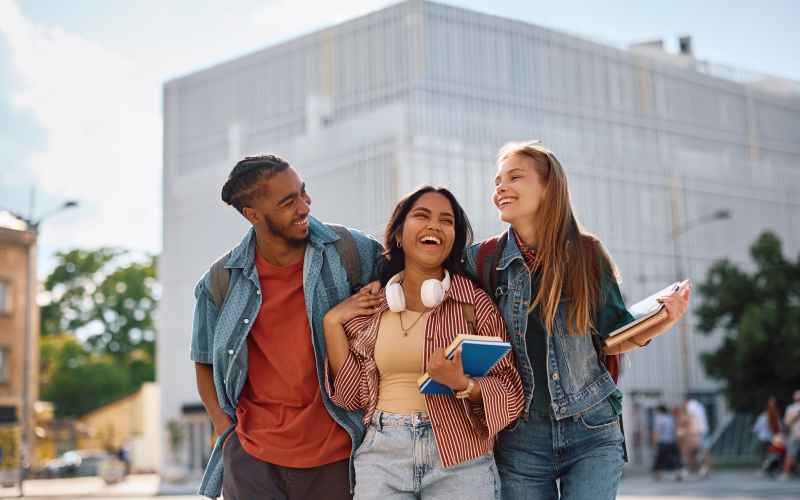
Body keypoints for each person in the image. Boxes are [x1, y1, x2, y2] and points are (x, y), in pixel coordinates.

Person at [464, 141, 692, 500]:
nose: (500, 189)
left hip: (592, 427)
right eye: (497, 181)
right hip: (519, 437)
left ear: (548, 187)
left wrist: (663, 319)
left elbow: (613, 335)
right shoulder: (483, 260)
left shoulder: (586, 253)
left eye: (514, 177)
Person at [190, 155, 383, 499]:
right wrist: (226, 431)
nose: (304, 206)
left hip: (339, 453)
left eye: (303, 192)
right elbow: (204, 361)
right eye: (288, 201)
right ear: (253, 215)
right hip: (254, 461)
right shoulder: (221, 281)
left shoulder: (352, 251)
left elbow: (408, 293)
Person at [324, 186, 524, 499]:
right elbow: (350, 397)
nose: (434, 225)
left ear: (454, 238)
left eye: (446, 220)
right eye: (422, 215)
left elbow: (510, 393)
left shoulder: (474, 305)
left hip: (460, 456)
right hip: (382, 455)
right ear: (399, 234)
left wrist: (464, 384)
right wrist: (332, 323)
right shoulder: (372, 306)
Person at [651, 405, 682, 481]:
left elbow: (656, 431)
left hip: (663, 441)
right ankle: (678, 474)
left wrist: (654, 442)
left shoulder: (659, 418)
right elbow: (675, 429)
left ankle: (658, 475)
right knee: (675, 458)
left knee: (660, 459)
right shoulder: (670, 418)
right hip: (672, 441)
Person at [685, 397, 711, 477]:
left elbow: (691, 419)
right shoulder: (699, 406)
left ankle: (693, 468)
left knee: (691, 451)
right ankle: (704, 468)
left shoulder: (690, 406)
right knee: (704, 450)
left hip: (696, 431)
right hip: (704, 430)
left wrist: (690, 432)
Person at [781, 389, 800, 480]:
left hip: (795, 435)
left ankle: (790, 472)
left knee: (792, 455)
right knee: (791, 454)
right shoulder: (791, 408)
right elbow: (787, 423)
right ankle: (786, 473)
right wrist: (797, 415)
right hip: (795, 434)